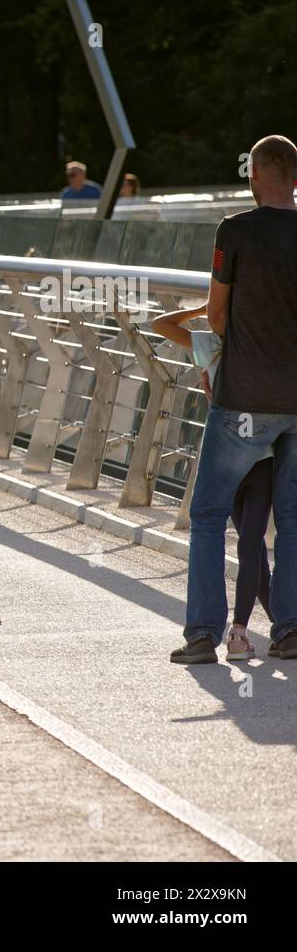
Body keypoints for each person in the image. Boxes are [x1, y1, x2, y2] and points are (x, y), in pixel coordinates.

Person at [172, 134, 297, 664]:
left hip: (244, 397)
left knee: (208, 513)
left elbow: (216, 313)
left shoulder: (234, 231)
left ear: (255, 175)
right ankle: (289, 631)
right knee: (292, 517)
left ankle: (203, 633)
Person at [152, 304, 272, 660]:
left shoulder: (214, 344)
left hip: (225, 458)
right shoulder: (270, 347)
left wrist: (205, 308)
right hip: (265, 457)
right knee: (253, 546)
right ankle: (250, 632)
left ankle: (212, 635)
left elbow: (161, 324)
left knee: (222, 533)